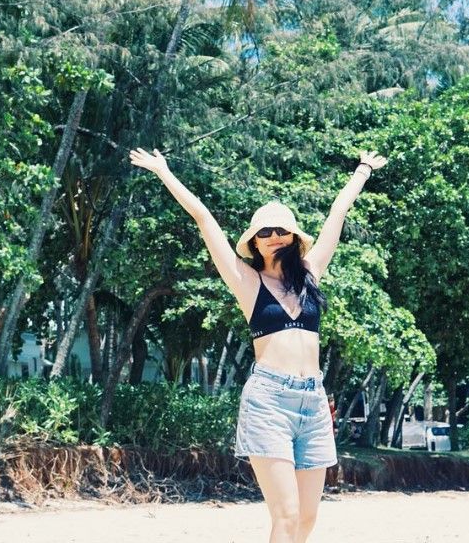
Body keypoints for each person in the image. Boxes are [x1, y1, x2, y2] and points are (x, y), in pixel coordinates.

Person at [129, 146, 386, 543]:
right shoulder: (246, 281)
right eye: (264, 232)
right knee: (286, 515)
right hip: (270, 401)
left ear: (294, 237)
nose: (273, 237)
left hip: (314, 402)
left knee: (307, 519)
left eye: (281, 230)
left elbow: (338, 213)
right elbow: (203, 218)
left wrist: (363, 170)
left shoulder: (311, 273)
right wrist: (164, 171)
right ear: (254, 242)